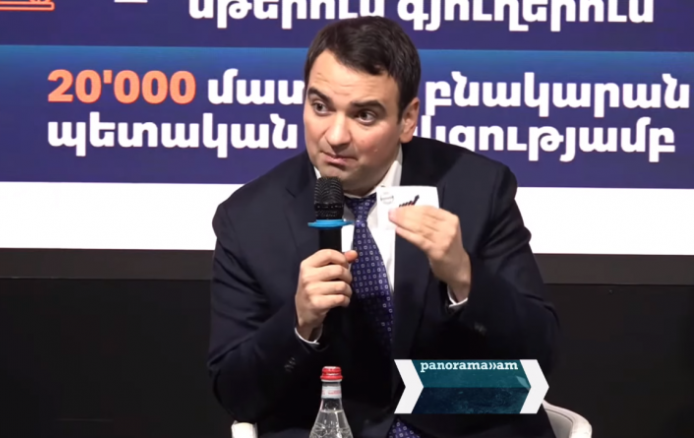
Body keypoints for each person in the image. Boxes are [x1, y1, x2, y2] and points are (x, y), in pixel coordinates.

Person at [207, 16, 560, 438]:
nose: (335, 135)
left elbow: (540, 356)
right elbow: (237, 394)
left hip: (463, 422)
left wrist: (465, 279)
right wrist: (299, 324)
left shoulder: (477, 189)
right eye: (320, 107)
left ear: (407, 119)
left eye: (364, 115)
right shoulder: (248, 219)